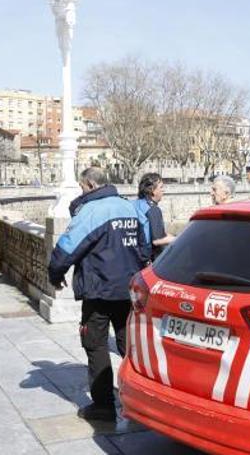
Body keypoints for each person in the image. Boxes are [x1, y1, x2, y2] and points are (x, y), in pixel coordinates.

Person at [48, 167, 147, 422]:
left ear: (90, 185)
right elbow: (144, 247)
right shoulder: (129, 207)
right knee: (129, 345)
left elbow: (67, 247)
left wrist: (55, 275)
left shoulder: (92, 211)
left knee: (96, 343)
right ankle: (141, 398)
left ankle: (103, 406)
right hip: (128, 289)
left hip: (99, 290)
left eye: (82, 187)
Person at [133, 173, 176, 261]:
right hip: (148, 259)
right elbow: (157, 240)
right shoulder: (153, 209)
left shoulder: (136, 204)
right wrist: (178, 239)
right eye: (161, 187)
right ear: (152, 190)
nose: (163, 190)